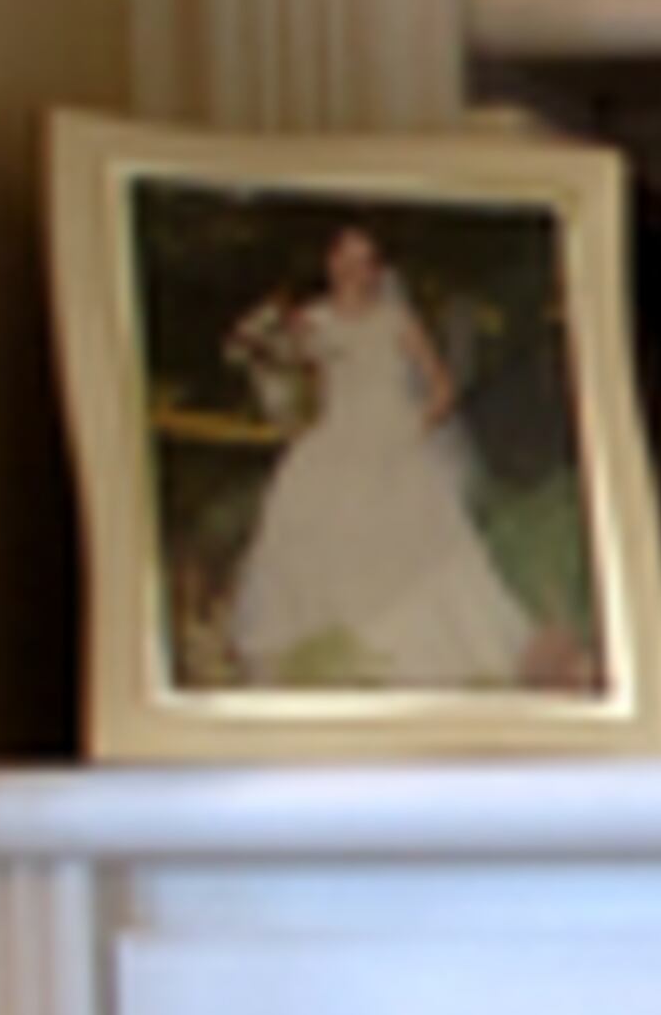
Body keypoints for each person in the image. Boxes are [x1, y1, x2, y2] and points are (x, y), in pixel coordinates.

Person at [220, 225, 539, 688]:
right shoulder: (312, 322)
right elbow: (290, 388)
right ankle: (327, 639)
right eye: (344, 259)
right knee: (302, 514)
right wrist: (265, 358)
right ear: (330, 263)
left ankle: (404, 647)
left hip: (393, 442)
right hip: (334, 440)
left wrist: (408, 432)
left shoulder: (395, 320)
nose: (352, 271)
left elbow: (442, 390)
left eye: (363, 261)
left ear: (376, 270)